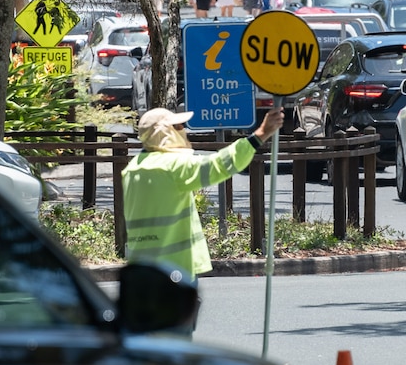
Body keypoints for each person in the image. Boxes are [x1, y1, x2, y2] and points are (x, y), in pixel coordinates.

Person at [122, 106, 285, 331]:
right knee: (175, 348)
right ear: (164, 133)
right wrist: (260, 135)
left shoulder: (133, 169)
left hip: (140, 274)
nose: (184, 130)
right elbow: (219, 165)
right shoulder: (172, 167)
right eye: (178, 126)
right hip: (174, 274)